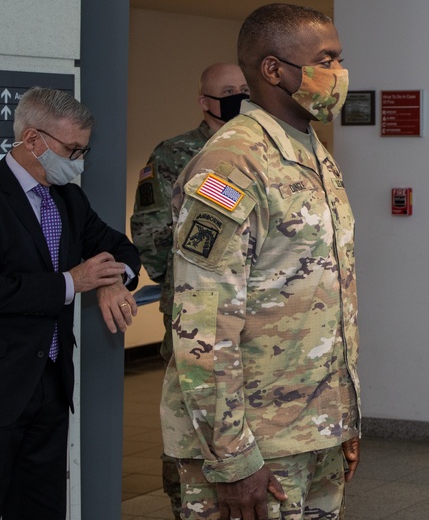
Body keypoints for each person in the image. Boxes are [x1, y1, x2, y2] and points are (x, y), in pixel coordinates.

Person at [161, 3, 361, 520]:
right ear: (273, 70)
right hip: (255, 445)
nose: (339, 74)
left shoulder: (312, 151)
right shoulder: (233, 164)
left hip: (313, 429)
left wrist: (343, 421)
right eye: (327, 59)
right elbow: (203, 326)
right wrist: (232, 459)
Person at [0, 87, 141, 520]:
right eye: (71, 150)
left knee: (41, 507)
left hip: (50, 386)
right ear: (33, 140)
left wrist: (111, 280)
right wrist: (72, 282)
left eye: (84, 151)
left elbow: (118, 247)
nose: (78, 161)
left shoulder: (69, 199)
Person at [130, 62, 248, 519]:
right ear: (205, 101)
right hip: (192, 313)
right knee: (191, 414)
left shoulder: (260, 150)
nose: (239, 96)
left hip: (252, 315)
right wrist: (188, 285)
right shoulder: (176, 154)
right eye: (228, 91)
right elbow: (151, 232)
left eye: (244, 89)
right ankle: (186, 500)